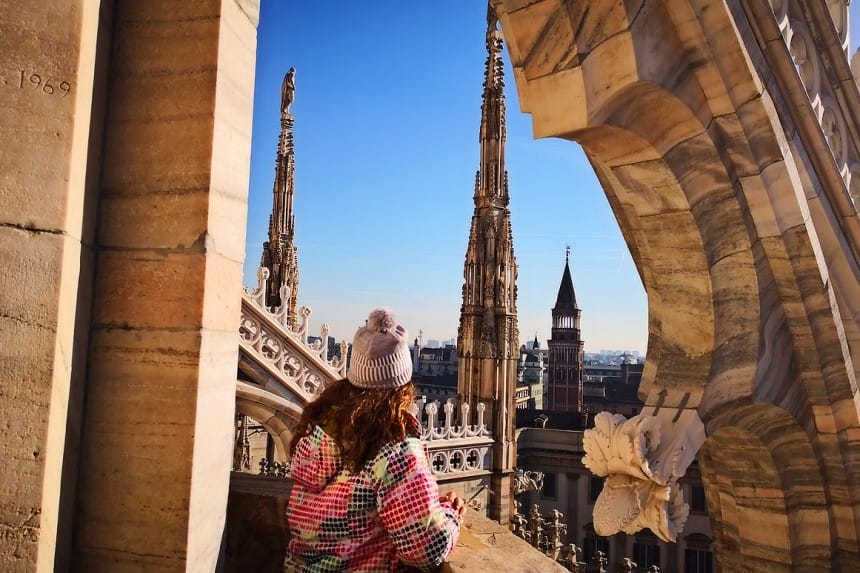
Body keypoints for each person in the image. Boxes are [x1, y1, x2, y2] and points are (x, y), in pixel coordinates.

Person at [284, 307, 466, 572]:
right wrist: (450, 515)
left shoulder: (318, 431)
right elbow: (426, 549)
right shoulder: (395, 451)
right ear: (402, 383)